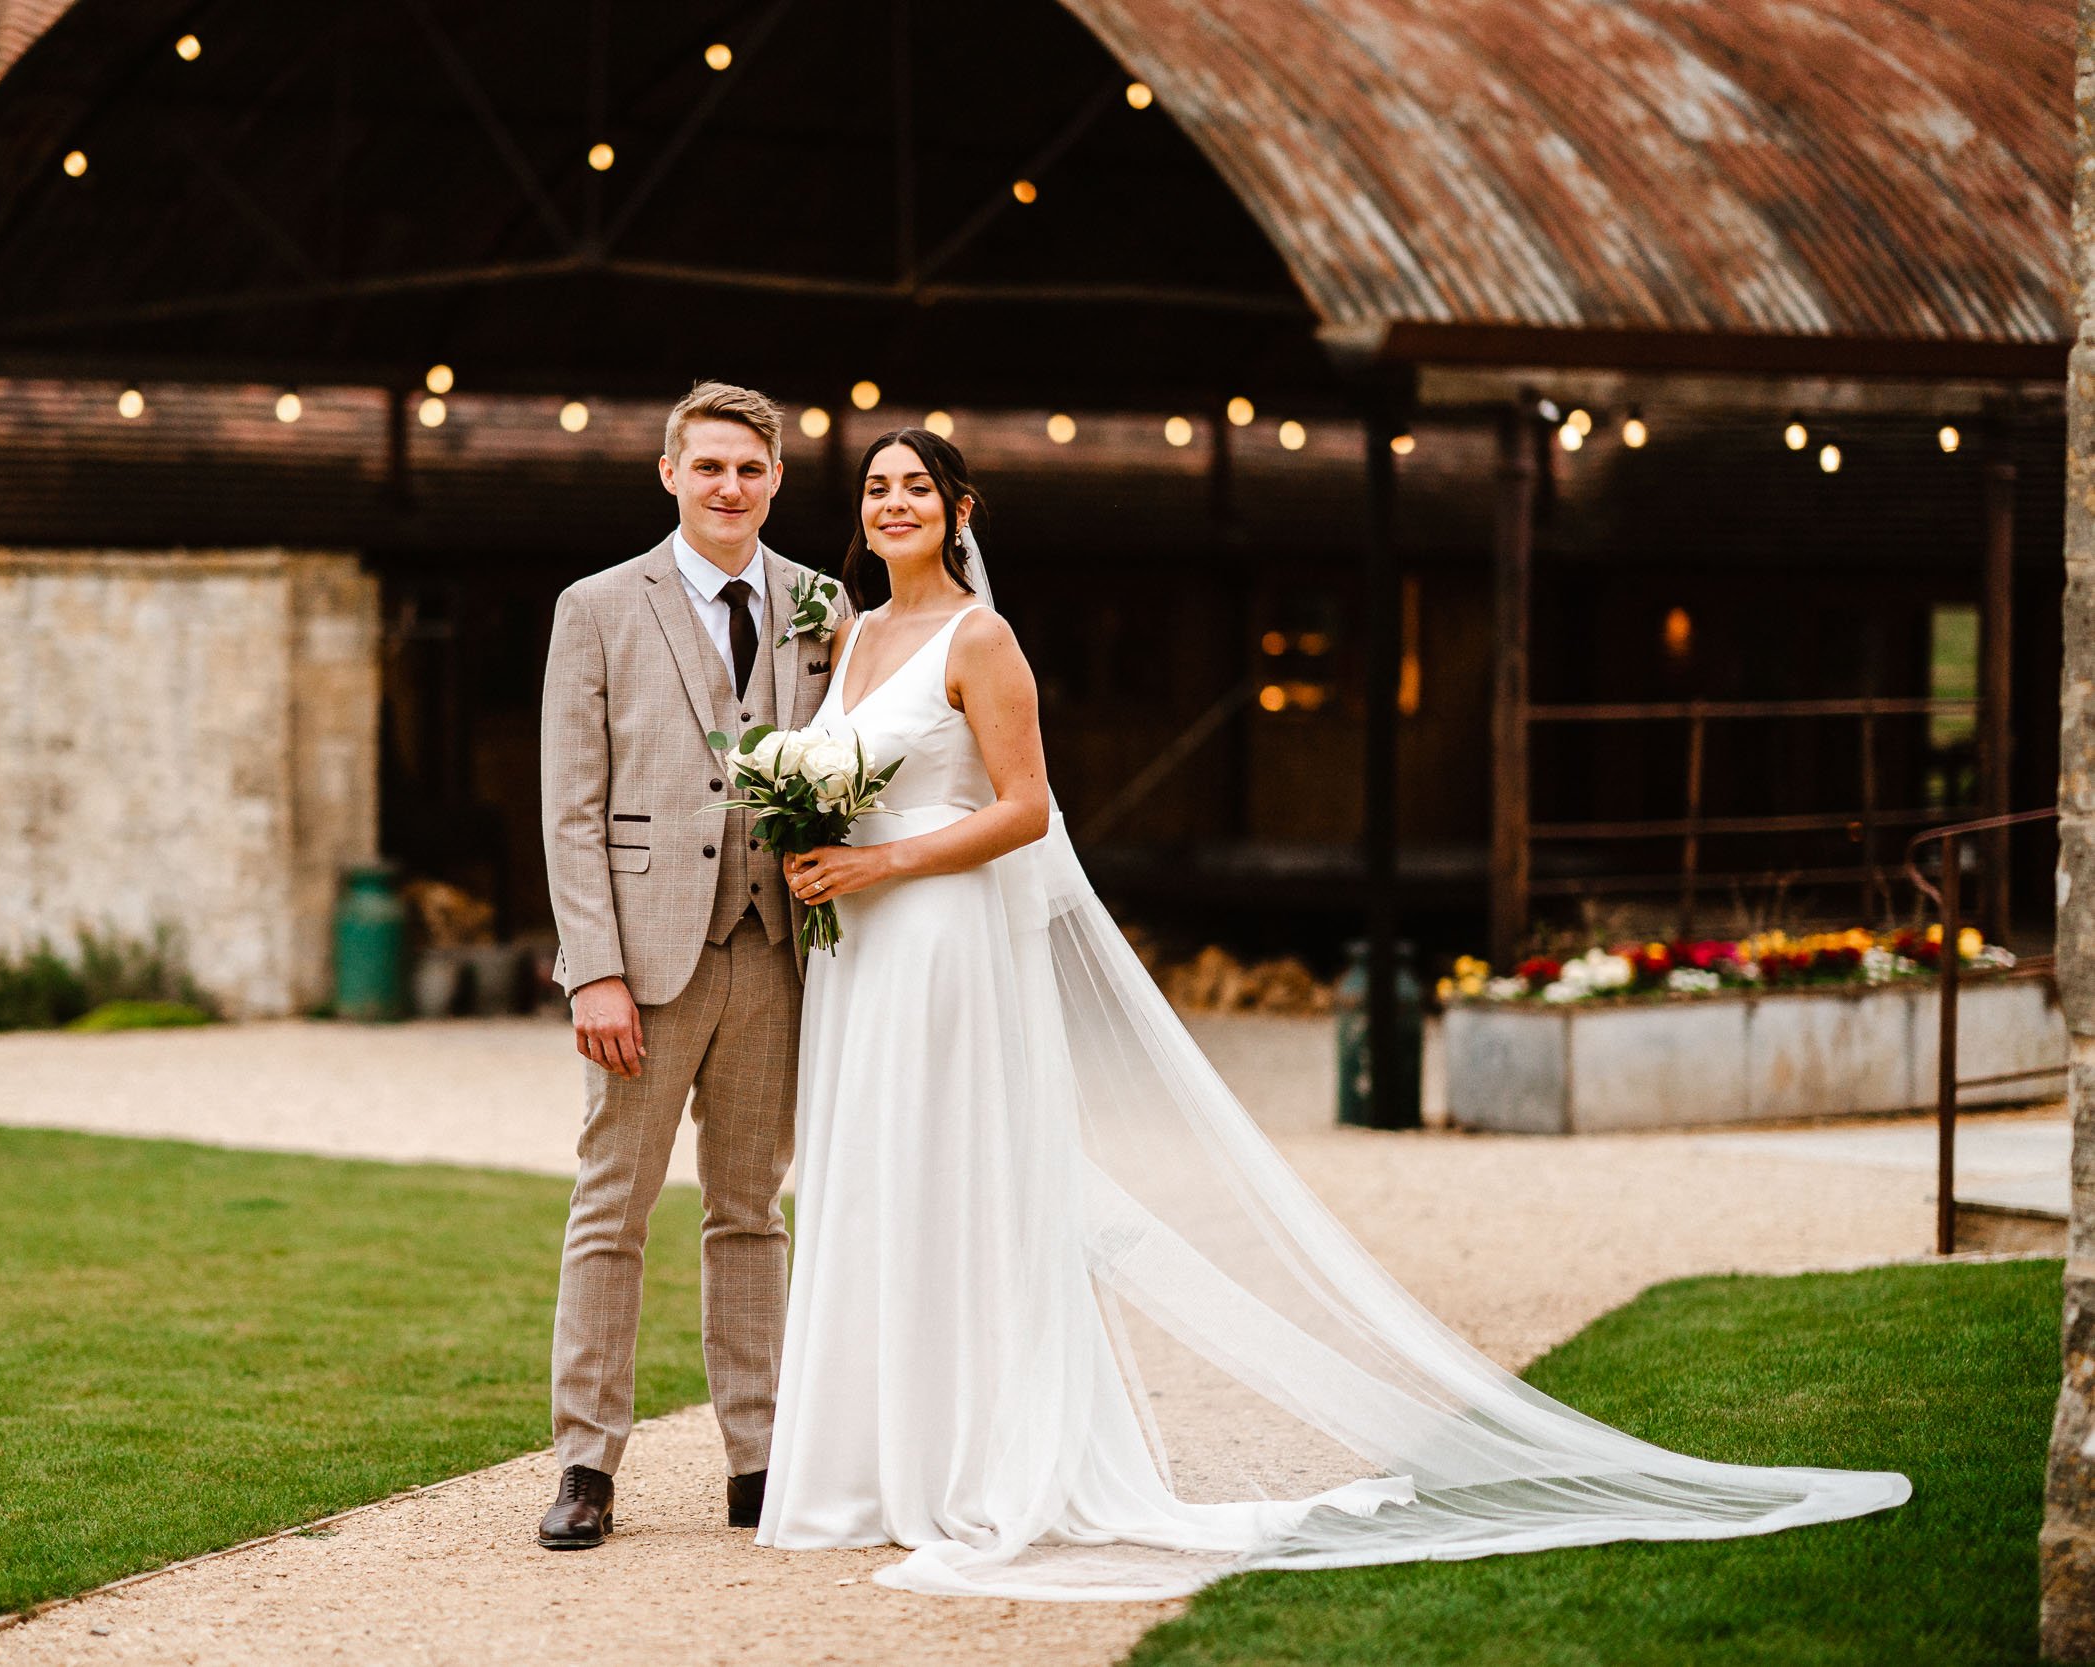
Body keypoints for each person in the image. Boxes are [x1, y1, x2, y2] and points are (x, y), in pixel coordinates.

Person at [756, 427, 1909, 1600]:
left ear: (959, 510)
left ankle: (961, 1466)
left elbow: (1024, 810)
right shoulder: (849, 636)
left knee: (954, 1178)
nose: (893, 503)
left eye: (917, 488)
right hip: (861, 952)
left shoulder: (980, 636)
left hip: (936, 935)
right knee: (872, 1173)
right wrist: (819, 843)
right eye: (875, 487)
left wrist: (881, 870)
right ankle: (867, 1466)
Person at [534, 381, 844, 1550]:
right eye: (708, 466)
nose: (729, 486)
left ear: (775, 481)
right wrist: (592, 970)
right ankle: (585, 1461)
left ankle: (759, 1459)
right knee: (610, 1208)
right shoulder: (600, 605)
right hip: (646, 962)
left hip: (776, 953)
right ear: (670, 473)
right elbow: (571, 805)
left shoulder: (823, 604)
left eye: (750, 469)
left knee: (750, 1210)